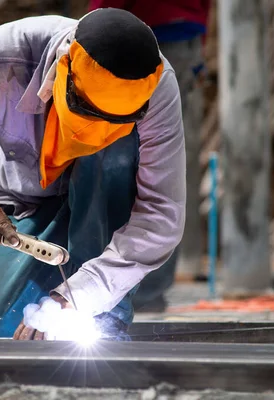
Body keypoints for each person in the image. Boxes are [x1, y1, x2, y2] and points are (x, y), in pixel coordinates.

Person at [0, 8, 185, 340]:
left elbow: (161, 212)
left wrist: (82, 296)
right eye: (87, 111)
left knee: (113, 154)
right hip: (23, 201)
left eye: (114, 122)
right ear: (62, 67)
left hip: (106, 205)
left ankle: (107, 318)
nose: (97, 133)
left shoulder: (158, 88)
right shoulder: (5, 54)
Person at [88, 0, 210, 312]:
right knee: (168, 166)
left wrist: (96, 30)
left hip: (130, 40)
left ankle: (122, 294)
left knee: (117, 161)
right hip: (184, 36)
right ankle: (144, 294)